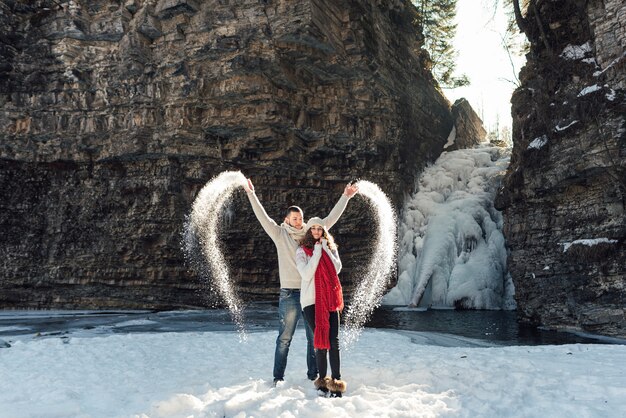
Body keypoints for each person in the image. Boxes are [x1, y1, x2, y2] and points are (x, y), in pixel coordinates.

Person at [244, 178, 358, 386]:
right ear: (287, 220)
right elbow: (262, 217)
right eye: (295, 219)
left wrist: (345, 197)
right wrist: (251, 193)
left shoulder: (310, 233)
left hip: (311, 293)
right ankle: (278, 377)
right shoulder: (279, 234)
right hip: (289, 292)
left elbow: (330, 219)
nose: (299, 222)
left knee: (314, 338)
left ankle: (313, 375)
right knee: (284, 338)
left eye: (301, 218)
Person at [296, 218, 346, 398]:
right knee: (321, 342)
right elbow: (307, 273)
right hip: (311, 301)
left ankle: (336, 382)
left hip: (331, 299)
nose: (316, 232)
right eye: (313, 229)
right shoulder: (302, 251)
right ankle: (323, 382)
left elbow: (337, 268)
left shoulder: (330, 247)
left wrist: (325, 248)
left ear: (324, 231)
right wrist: (317, 251)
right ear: (308, 231)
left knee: (334, 341)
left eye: (319, 229)